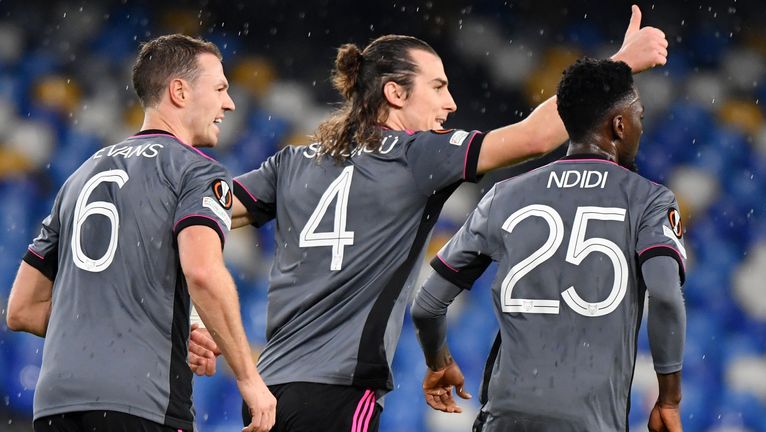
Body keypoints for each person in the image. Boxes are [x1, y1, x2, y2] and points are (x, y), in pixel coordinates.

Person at [188, 6, 669, 431]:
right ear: (395, 93)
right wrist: (621, 63)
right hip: (338, 394)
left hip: (269, 394)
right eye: (438, 87)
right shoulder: (417, 155)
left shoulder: (290, 162)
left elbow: (194, 222)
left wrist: (190, 313)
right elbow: (536, 136)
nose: (451, 103)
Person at [6, 34, 275, 432]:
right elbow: (202, 272)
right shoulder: (197, 170)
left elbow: (22, 309)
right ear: (179, 91)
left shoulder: (79, 177)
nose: (229, 103)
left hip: (56, 406)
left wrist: (151, 331)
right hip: (141, 404)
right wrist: (248, 378)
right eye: (220, 88)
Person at [410, 57, 686, 432]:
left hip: (506, 418)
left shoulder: (503, 195)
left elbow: (427, 305)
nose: (641, 124)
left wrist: (439, 362)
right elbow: (667, 298)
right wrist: (668, 398)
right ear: (619, 125)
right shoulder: (649, 200)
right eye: (638, 114)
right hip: (591, 421)